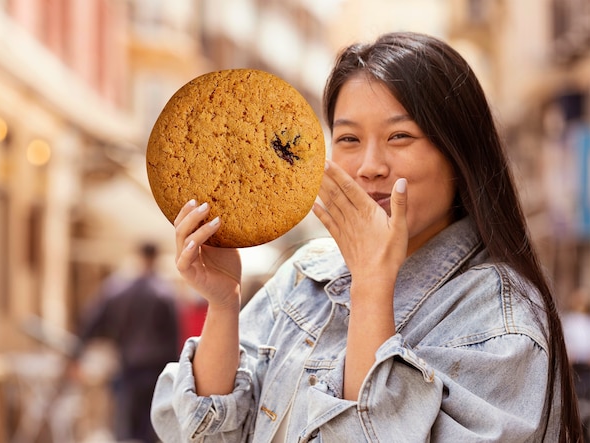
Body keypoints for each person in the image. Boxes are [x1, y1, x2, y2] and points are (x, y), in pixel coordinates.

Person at [150, 32, 582, 442]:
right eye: (349, 139)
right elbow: (201, 434)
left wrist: (373, 286)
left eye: (400, 136)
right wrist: (224, 305)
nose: (370, 166)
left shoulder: (499, 320)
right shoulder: (303, 277)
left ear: (458, 153)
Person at [71, 241, 180, 443]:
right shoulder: (165, 293)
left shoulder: (117, 290)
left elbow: (92, 322)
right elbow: (174, 335)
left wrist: (77, 353)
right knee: (152, 427)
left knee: (126, 429)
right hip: (157, 369)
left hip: (128, 365)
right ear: (155, 259)